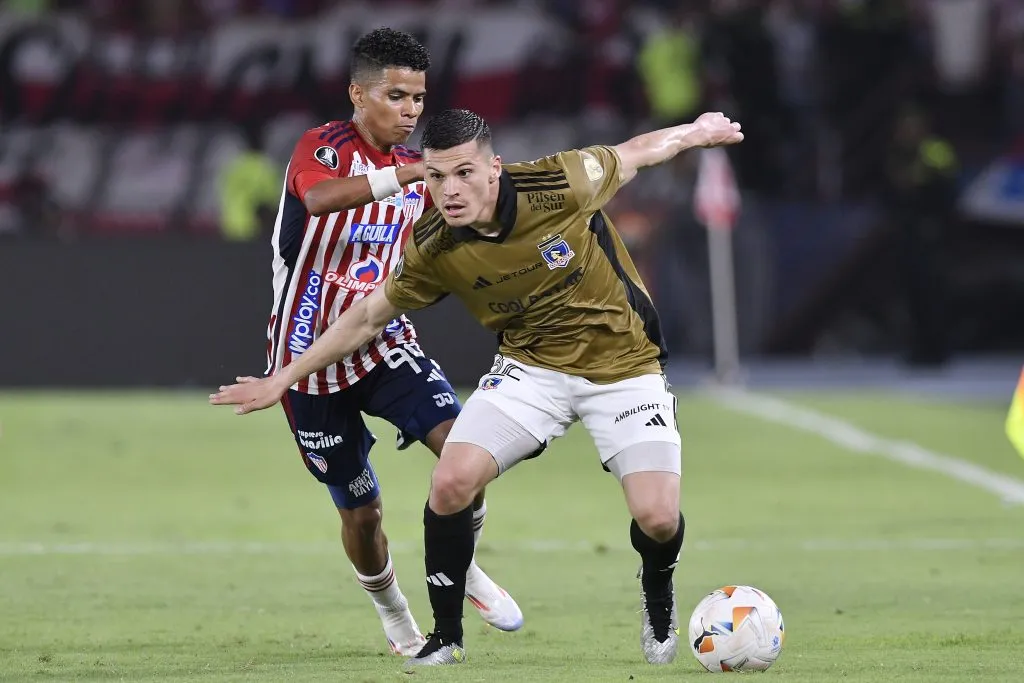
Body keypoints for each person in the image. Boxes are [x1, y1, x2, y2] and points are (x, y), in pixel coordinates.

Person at [211, 107, 744, 666]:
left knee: (657, 517)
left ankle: (658, 599)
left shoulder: (558, 183)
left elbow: (636, 152)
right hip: (530, 371)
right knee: (450, 482)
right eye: (437, 176)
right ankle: (446, 637)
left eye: (464, 173)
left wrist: (696, 133)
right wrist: (284, 377)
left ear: (494, 169)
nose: (450, 190)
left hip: (624, 368)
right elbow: (366, 317)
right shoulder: (434, 246)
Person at [243, 30, 522, 656]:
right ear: (357, 94)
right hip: (306, 361)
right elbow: (319, 199)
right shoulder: (324, 148)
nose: (411, 111)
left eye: (418, 98)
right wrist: (409, 173)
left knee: (467, 453)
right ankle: (395, 613)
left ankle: (463, 568)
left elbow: (467, 232)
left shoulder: (425, 173)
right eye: (396, 96)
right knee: (361, 512)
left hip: (382, 341)